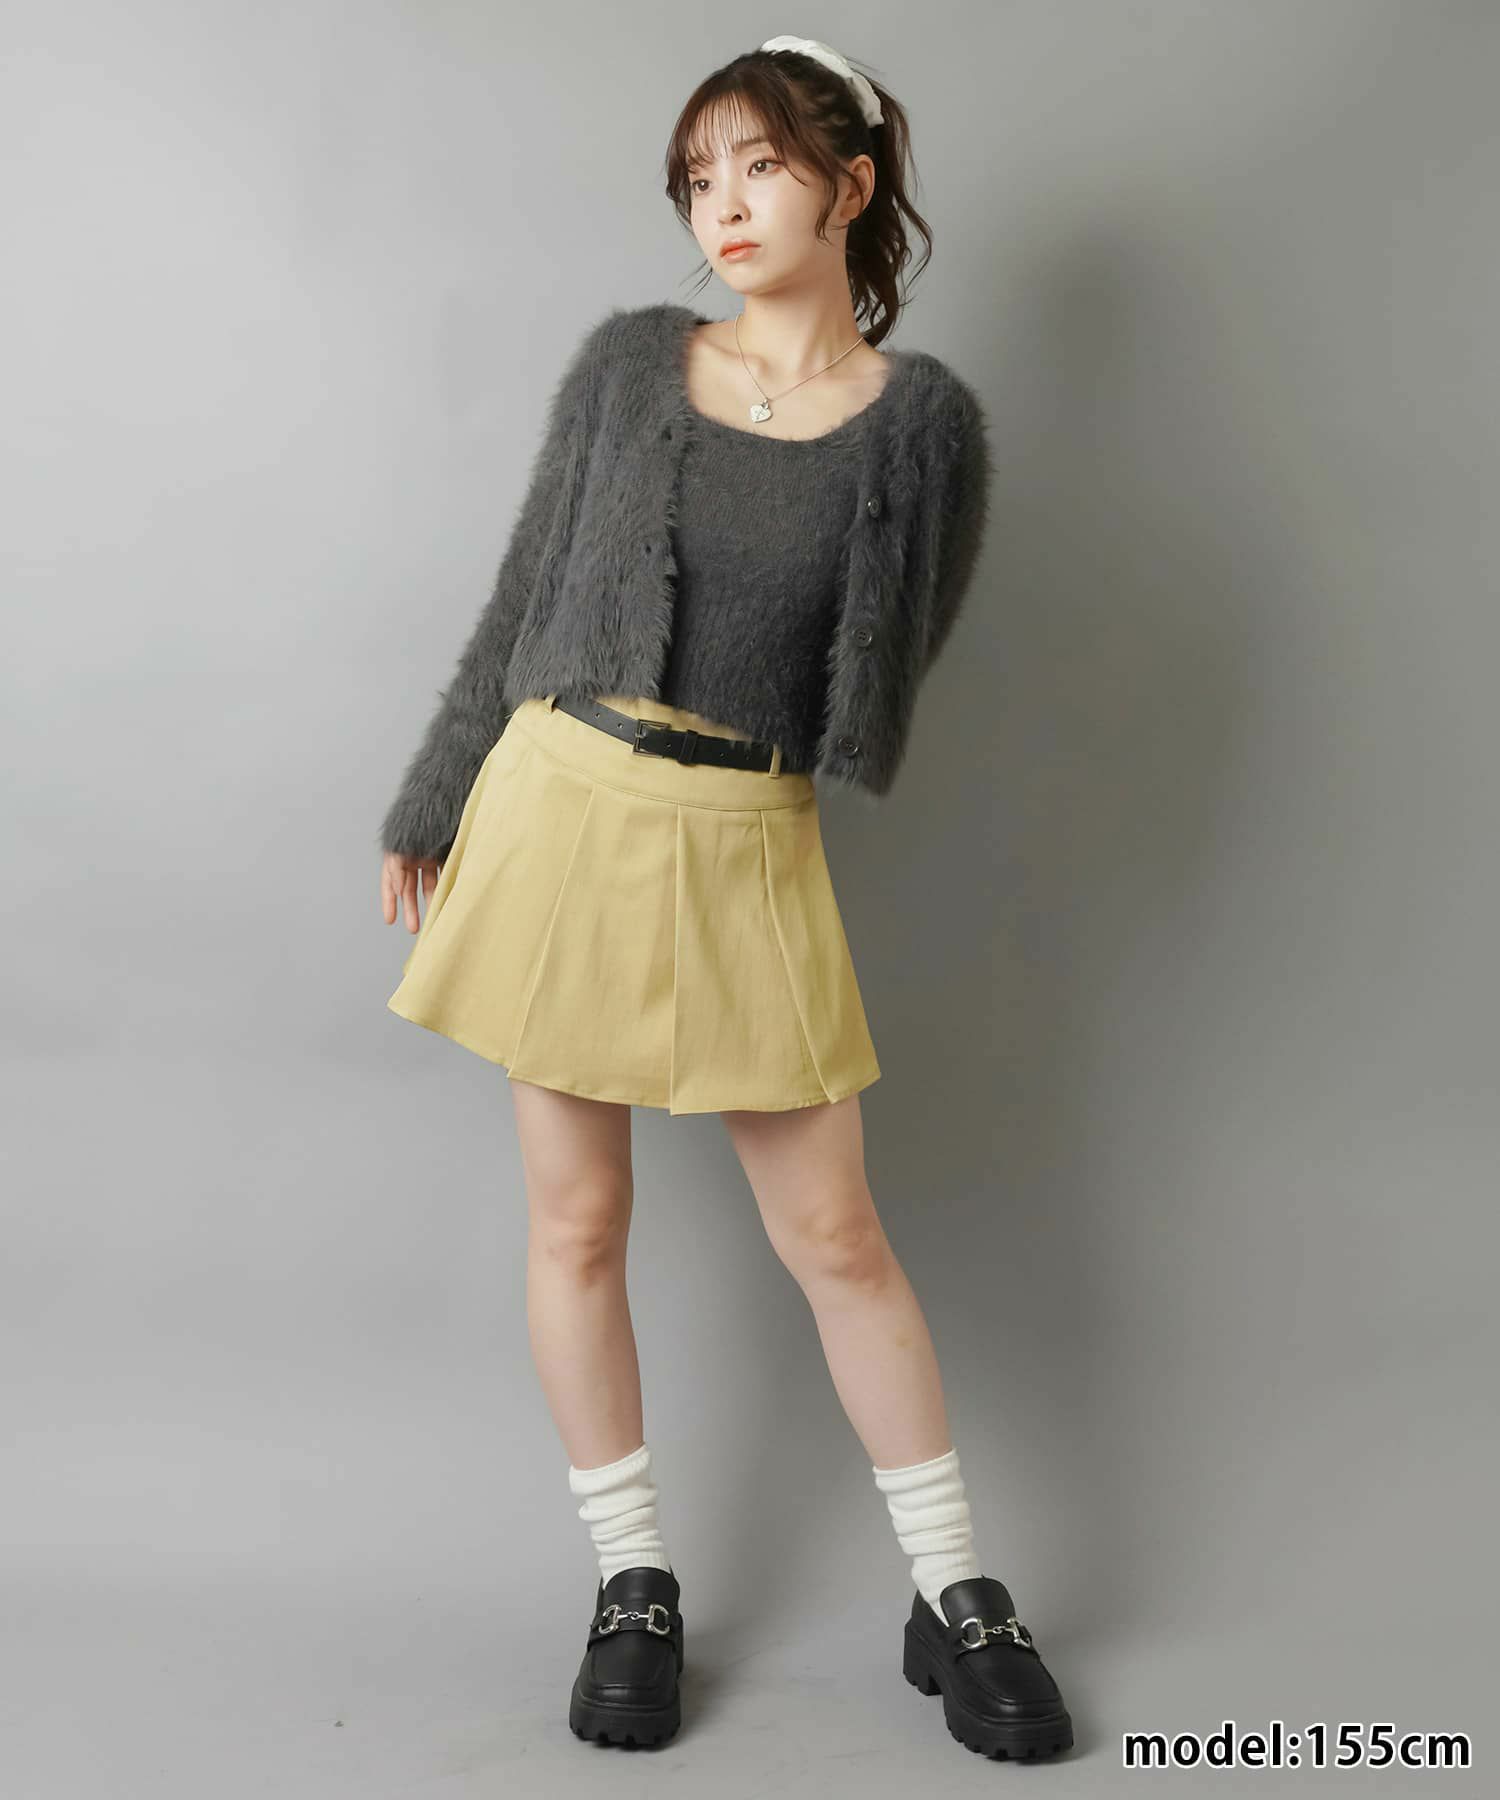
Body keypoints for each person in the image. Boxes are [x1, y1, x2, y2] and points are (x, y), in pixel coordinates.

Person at [375, 34, 1073, 1761]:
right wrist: (436, 792)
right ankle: (633, 1582)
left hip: (747, 836)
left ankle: (956, 1591)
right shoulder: (630, 366)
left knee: (836, 1235)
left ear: (852, 183)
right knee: (578, 1224)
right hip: (561, 806)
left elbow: (881, 672)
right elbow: (528, 591)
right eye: (700, 178)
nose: (724, 206)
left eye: (759, 165)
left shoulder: (923, 427)